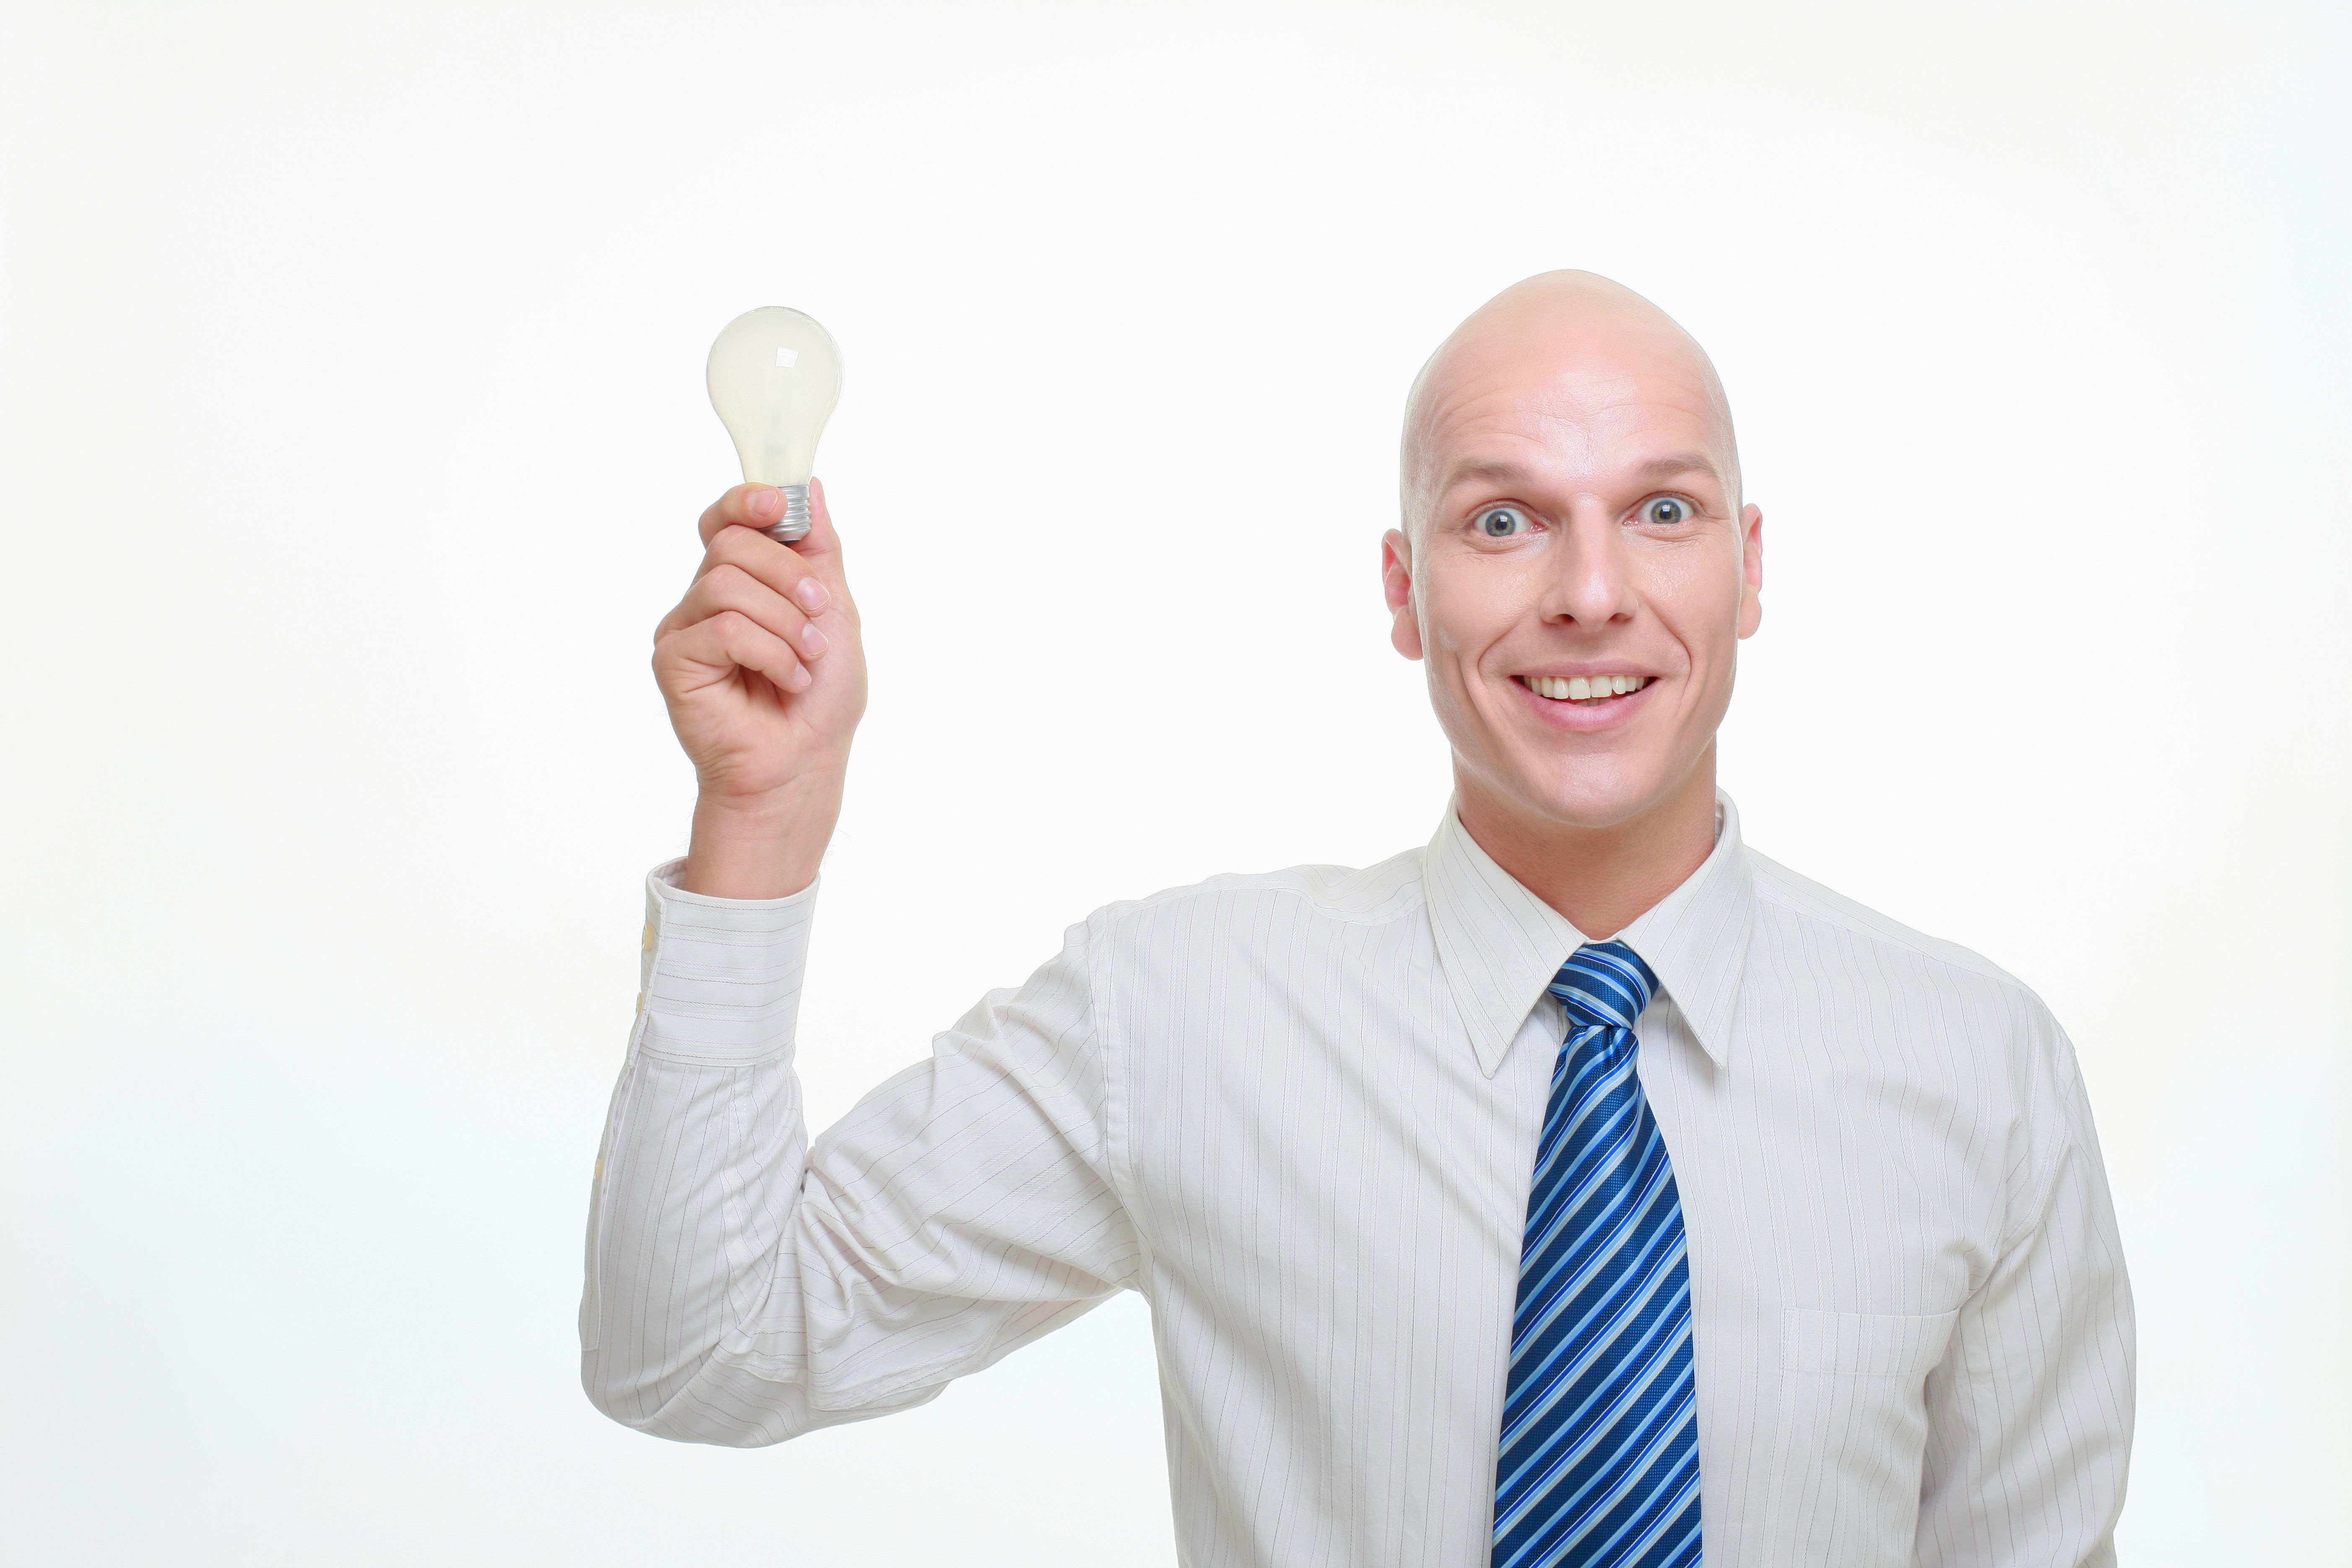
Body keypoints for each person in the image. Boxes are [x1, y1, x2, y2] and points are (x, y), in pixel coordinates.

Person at [580, 271, 2134, 1568]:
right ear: (1402, 591)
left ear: (1747, 568)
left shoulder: (1975, 1066)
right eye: (1503, 521)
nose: (1591, 592)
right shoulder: (1175, 1013)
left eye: (1661, 509)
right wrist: (763, 816)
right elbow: (695, 1352)